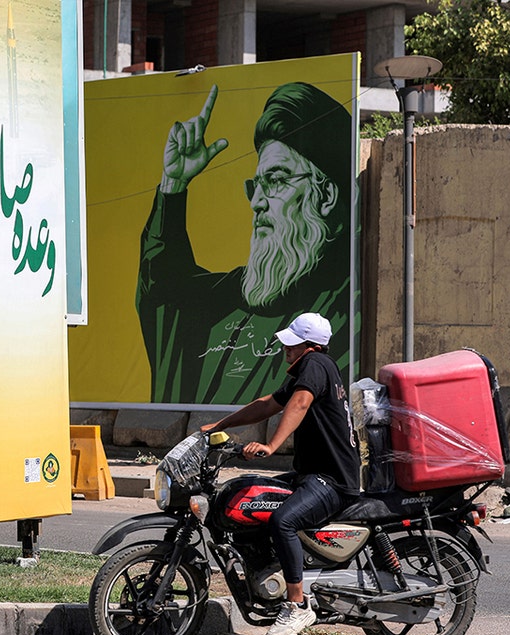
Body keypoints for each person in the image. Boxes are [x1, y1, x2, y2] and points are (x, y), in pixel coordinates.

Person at [138, 82, 352, 405]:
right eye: (256, 186)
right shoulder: (236, 296)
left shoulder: (341, 313)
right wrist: (173, 186)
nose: (257, 204)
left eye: (276, 180)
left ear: (326, 196)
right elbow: (165, 292)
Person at [201, 312, 360, 635]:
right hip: (312, 475)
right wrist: (221, 426)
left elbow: (300, 404)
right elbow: (267, 404)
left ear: (310, 345)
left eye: (292, 344)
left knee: (283, 521)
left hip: (332, 480)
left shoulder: (315, 365)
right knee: (250, 494)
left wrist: (272, 444)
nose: (285, 349)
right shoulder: (309, 369)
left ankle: (297, 604)